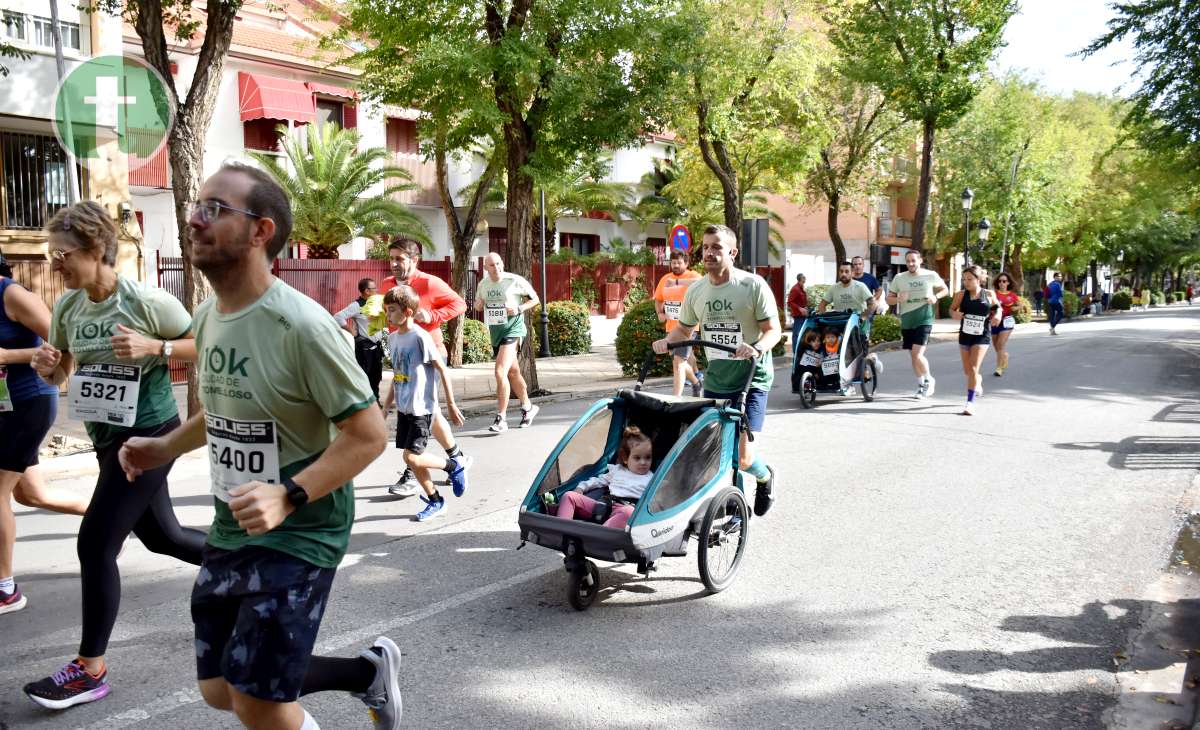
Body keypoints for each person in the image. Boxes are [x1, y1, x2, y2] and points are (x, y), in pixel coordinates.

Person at [117, 163, 402, 730]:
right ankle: (365, 675)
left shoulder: (302, 326)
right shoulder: (210, 317)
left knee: (258, 702)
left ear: (260, 231)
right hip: (233, 527)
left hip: (301, 531)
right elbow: (225, 410)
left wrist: (288, 495)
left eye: (215, 209)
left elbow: (369, 434)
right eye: (198, 207)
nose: (195, 220)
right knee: (220, 687)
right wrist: (164, 446)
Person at [23, 201, 206, 709]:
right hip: (108, 443)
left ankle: (90, 669)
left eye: (61, 253)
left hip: (150, 437)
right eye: (51, 254)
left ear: (96, 250)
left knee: (95, 545)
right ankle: (247, 561)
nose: (54, 263)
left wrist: (157, 349)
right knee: (162, 537)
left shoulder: (145, 301)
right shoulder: (68, 307)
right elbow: (60, 373)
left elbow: (205, 342)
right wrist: (47, 367)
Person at [652, 224, 781, 517]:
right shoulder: (697, 289)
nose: (709, 253)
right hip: (717, 380)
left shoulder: (752, 286)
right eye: (706, 247)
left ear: (732, 252)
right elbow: (684, 329)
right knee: (714, 451)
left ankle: (764, 478)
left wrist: (757, 348)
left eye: (717, 247)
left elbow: (773, 330)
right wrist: (666, 342)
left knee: (744, 458)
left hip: (753, 378)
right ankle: (734, 508)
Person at [0, 256, 90, 615]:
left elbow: (62, 344)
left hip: (31, 400)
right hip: (6, 407)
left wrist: (8, 354)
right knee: (31, 494)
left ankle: (5, 589)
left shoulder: (12, 295)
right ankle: (113, 517)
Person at [380, 239, 472, 495]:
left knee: (422, 411)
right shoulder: (388, 285)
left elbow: (459, 304)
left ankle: (412, 471)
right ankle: (457, 457)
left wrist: (432, 316)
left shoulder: (429, 282)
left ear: (414, 260)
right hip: (402, 356)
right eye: (392, 258)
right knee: (431, 414)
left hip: (428, 355)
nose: (395, 263)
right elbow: (387, 315)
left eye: (400, 258)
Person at [387, 285, 468, 521]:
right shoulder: (393, 339)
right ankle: (436, 501)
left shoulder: (420, 337)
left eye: (392, 310)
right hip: (405, 408)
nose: (388, 315)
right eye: (387, 310)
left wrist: (451, 404)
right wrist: (386, 405)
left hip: (423, 408)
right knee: (410, 458)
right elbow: (397, 373)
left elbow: (442, 368)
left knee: (411, 458)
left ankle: (454, 467)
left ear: (408, 311)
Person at [474, 252, 541, 432]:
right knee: (512, 373)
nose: (495, 268)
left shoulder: (514, 280)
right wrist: (478, 305)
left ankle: (501, 418)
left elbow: (535, 300)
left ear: (502, 263)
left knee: (499, 371)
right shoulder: (483, 284)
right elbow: (478, 304)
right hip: (496, 332)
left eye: (498, 264)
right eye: (491, 265)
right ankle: (528, 407)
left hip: (514, 330)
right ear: (486, 267)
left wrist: (518, 308)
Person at [553, 426, 653, 530]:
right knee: (569, 496)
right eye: (637, 458)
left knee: (629, 512)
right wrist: (581, 487)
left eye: (648, 457)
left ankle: (596, 536)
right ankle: (562, 532)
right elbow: (598, 481)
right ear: (625, 459)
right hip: (604, 505)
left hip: (625, 510)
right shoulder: (617, 470)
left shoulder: (651, 478)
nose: (643, 462)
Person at [886, 250, 949, 399]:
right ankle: (921, 384)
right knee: (913, 356)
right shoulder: (899, 278)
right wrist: (898, 299)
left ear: (920, 260)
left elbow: (944, 289)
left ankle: (929, 380)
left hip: (924, 318)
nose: (910, 264)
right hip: (907, 319)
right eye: (908, 261)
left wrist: (935, 297)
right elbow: (889, 299)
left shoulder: (930, 275)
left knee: (917, 353)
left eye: (913, 260)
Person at [950, 265, 1001, 416]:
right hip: (965, 334)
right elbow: (952, 309)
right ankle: (977, 379)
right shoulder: (960, 295)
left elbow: (997, 308)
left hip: (982, 335)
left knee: (972, 367)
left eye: (970, 279)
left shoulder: (988, 294)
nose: (966, 282)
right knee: (968, 371)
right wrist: (955, 315)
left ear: (978, 280)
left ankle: (970, 402)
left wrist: (997, 315)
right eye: (964, 279)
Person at [654, 249, 704, 397]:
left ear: (686, 263)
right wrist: (660, 313)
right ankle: (696, 382)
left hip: (689, 327)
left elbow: (702, 282)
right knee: (680, 362)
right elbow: (658, 299)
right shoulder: (665, 278)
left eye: (679, 262)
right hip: (672, 328)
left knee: (678, 362)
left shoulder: (692, 276)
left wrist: (676, 282)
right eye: (673, 262)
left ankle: (676, 399)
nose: (675, 265)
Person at [334, 277, 385, 405]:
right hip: (364, 347)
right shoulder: (357, 305)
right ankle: (364, 402)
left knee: (376, 375)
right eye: (374, 288)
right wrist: (350, 331)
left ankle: (376, 401)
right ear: (367, 291)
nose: (376, 290)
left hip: (377, 346)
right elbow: (338, 317)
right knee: (364, 375)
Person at [990, 272, 1019, 377]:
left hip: (1007, 322)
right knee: (996, 345)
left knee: (1000, 344)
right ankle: (1005, 356)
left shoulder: (1012, 295)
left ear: (1008, 283)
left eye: (1004, 281)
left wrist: (1014, 308)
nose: (1001, 283)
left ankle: (999, 368)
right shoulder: (993, 294)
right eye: (1000, 281)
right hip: (995, 321)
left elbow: (1020, 306)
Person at [851, 255, 884, 337]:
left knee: (865, 334)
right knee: (852, 333)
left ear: (863, 265)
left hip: (867, 309)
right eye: (855, 264)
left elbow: (879, 289)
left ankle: (864, 346)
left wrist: (874, 298)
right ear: (852, 266)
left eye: (859, 264)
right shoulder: (848, 278)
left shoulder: (870, 277)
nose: (857, 266)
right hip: (852, 309)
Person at [786, 272, 809, 354]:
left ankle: (800, 351)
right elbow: (790, 302)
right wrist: (799, 309)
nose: (805, 278)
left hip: (803, 315)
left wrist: (805, 307)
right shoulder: (795, 289)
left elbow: (802, 301)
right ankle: (796, 352)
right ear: (800, 279)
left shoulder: (802, 287)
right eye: (804, 277)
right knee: (796, 334)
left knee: (802, 334)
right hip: (798, 315)